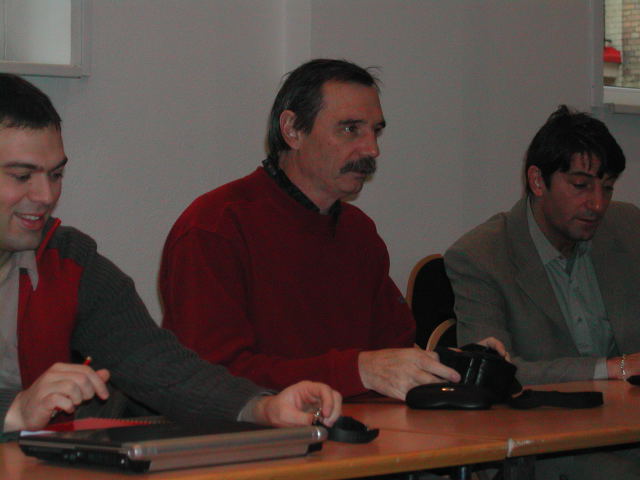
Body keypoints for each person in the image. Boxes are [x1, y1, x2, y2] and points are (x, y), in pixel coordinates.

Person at [0, 73, 341, 433]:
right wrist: (16, 410)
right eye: (22, 176)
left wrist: (261, 406)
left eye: (55, 175)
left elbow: (155, 363)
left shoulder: (70, 258)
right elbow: (21, 411)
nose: (46, 196)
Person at [160, 58, 504, 400]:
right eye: (350, 129)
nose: (372, 149)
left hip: (361, 428)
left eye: (376, 131)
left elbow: (392, 353)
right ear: (292, 130)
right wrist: (357, 371)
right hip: (258, 433)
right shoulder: (215, 227)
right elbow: (208, 378)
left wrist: (455, 366)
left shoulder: (358, 232)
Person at [444, 105, 640, 388]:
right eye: (581, 185)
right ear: (537, 181)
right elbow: (489, 371)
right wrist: (610, 368)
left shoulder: (628, 226)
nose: (598, 204)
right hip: (541, 413)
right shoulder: (479, 257)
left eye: (607, 187)